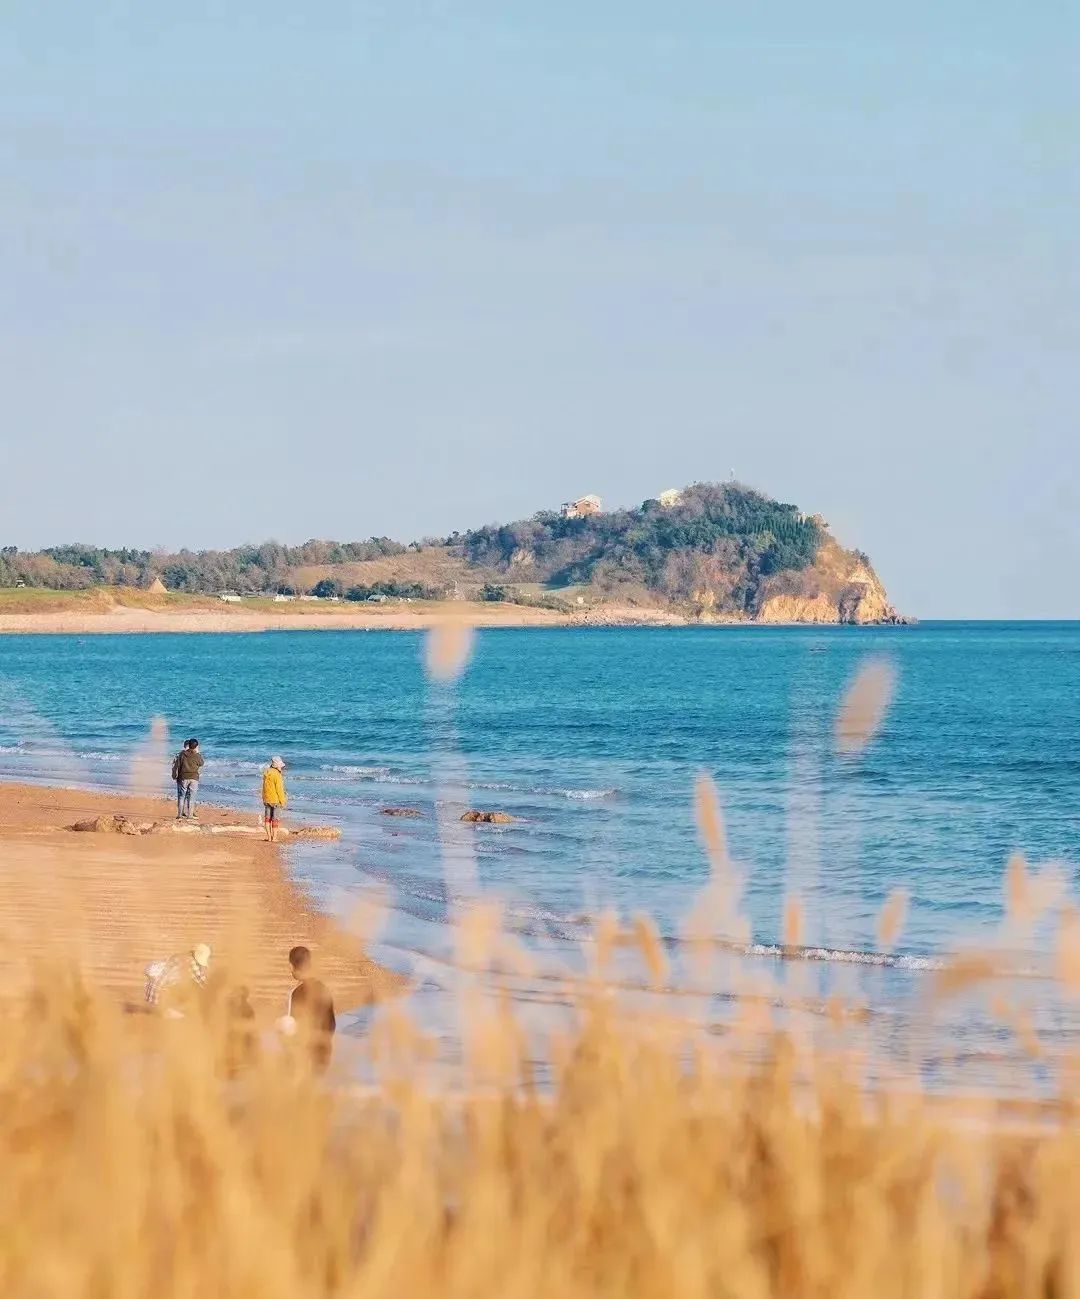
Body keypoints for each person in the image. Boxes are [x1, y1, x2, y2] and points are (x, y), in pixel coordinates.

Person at [283, 945, 336, 1071]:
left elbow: (292, 1027)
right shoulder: (324, 989)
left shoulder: (295, 993)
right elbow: (332, 1024)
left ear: (291, 966)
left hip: (303, 1057)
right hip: (323, 1054)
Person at [144, 943, 212, 1015]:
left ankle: (171, 1008)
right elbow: (202, 983)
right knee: (183, 1017)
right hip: (157, 997)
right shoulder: (191, 963)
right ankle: (167, 1010)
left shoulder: (181, 957)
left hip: (151, 994)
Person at [172, 738, 205, 820]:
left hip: (183, 777)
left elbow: (177, 765)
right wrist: (197, 752)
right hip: (194, 778)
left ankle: (179, 815)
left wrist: (175, 776)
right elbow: (201, 763)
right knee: (191, 797)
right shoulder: (197, 755)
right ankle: (190, 816)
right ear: (196, 746)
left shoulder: (182, 754)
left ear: (188, 745)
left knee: (181, 796)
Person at [261, 754, 287, 842]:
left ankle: (269, 837)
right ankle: (274, 838)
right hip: (276, 800)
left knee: (267, 819)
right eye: (281, 766)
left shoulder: (266, 772)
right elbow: (279, 790)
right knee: (275, 819)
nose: (282, 768)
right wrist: (283, 801)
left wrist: (263, 797)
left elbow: (264, 787)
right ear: (278, 766)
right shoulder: (277, 775)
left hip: (267, 799)